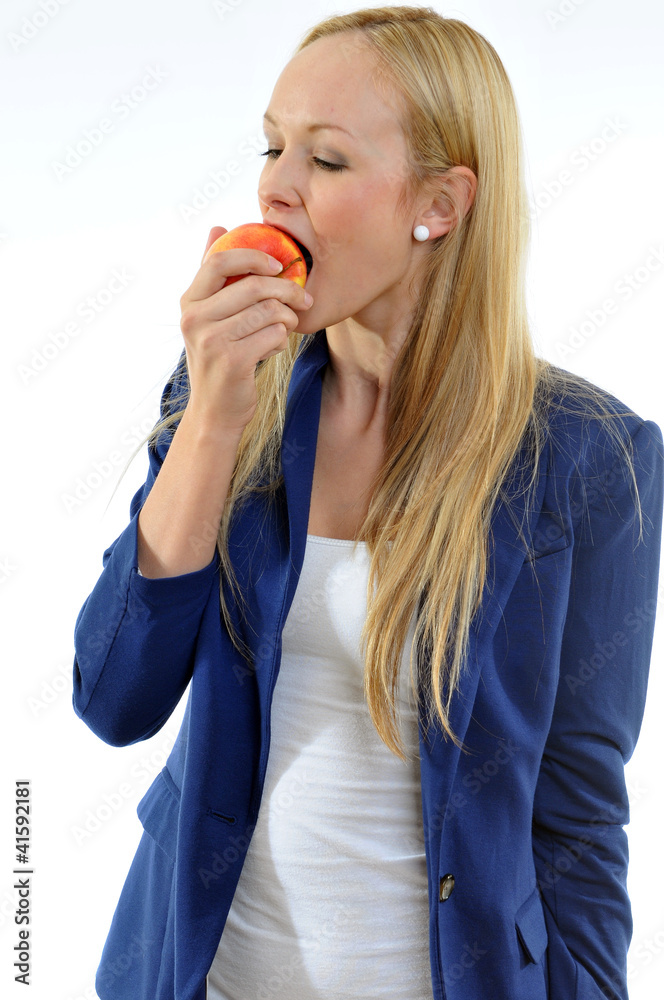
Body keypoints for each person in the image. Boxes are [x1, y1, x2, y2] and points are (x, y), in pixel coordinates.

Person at [72, 6, 663, 1000]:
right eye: (273, 146)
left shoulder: (596, 459)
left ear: (439, 204)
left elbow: (578, 822)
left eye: (328, 158)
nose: (276, 186)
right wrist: (213, 419)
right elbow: (113, 699)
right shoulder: (227, 388)